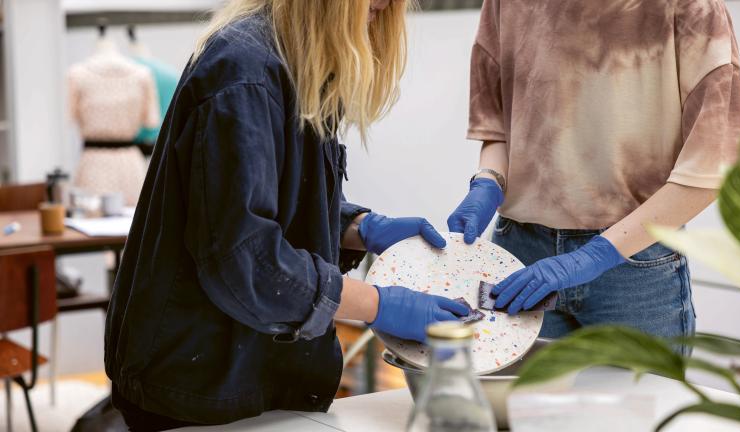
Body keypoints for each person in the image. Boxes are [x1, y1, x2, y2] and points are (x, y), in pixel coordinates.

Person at [105, 0, 469, 429]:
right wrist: (375, 303)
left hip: (250, 366)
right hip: (195, 382)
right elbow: (244, 258)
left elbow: (273, 202)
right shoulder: (244, 72)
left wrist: (358, 228)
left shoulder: (299, 60)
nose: (387, 4)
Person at [449, 0, 740, 347]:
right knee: (519, 402)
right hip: (520, 254)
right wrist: (488, 180)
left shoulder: (693, 8)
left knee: (640, 400)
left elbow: (713, 168)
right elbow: (497, 125)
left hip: (635, 263)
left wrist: (597, 255)